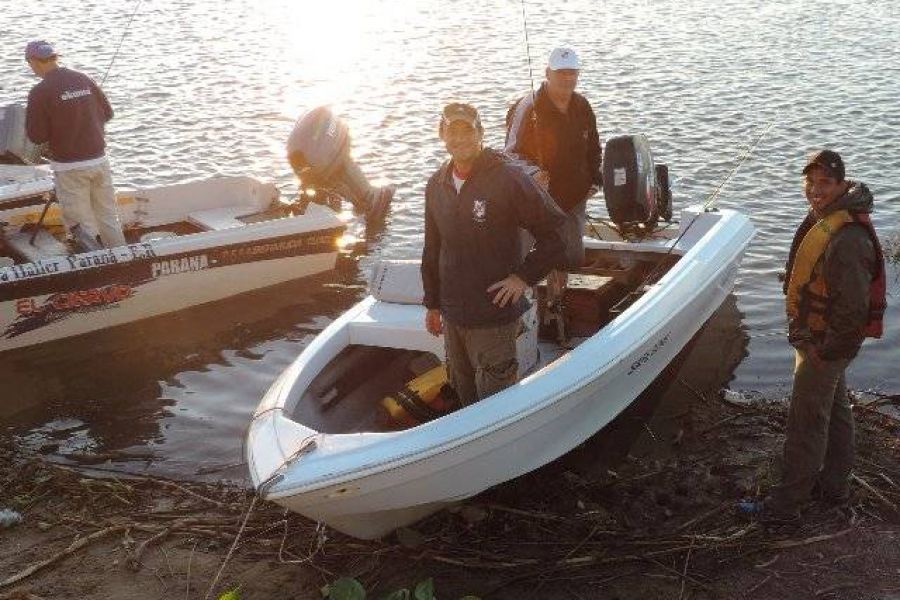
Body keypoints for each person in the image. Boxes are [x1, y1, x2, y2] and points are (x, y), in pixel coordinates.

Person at [742, 149, 886, 525]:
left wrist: (827, 351)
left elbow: (853, 308)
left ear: (841, 185)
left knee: (805, 423)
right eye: (811, 181)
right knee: (835, 412)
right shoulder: (827, 219)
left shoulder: (849, 238)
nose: (815, 189)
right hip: (817, 340)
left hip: (824, 345)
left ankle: (786, 508)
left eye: (825, 183)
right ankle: (834, 488)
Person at [422, 102, 566, 406]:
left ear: (481, 134)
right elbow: (432, 248)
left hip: (493, 316)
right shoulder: (437, 185)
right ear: (441, 134)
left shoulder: (508, 179)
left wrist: (522, 278)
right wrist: (433, 303)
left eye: (467, 131)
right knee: (464, 395)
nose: (460, 139)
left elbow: (555, 235)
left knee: (496, 403)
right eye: (452, 131)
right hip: (452, 315)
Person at [505, 46, 603, 335]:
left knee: (569, 257)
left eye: (572, 73)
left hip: (572, 200)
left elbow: (594, 149)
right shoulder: (527, 107)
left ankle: (560, 308)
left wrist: (595, 181)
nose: (567, 79)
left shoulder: (582, 106)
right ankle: (525, 314)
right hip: (534, 202)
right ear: (547, 74)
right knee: (527, 259)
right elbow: (508, 154)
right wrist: (534, 173)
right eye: (561, 73)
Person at [24, 40, 127, 249]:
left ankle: (94, 270)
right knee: (108, 217)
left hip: (70, 168)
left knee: (81, 226)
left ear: (34, 61)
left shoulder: (40, 91)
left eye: (29, 62)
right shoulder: (84, 78)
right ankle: (122, 256)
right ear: (55, 57)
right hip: (99, 161)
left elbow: (36, 136)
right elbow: (108, 114)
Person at [286, 106, 394, 223]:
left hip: (318, 162)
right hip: (317, 163)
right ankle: (366, 200)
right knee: (323, 182)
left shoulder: (315, 156)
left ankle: (367, 199)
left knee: (330, 179)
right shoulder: (313, 157)